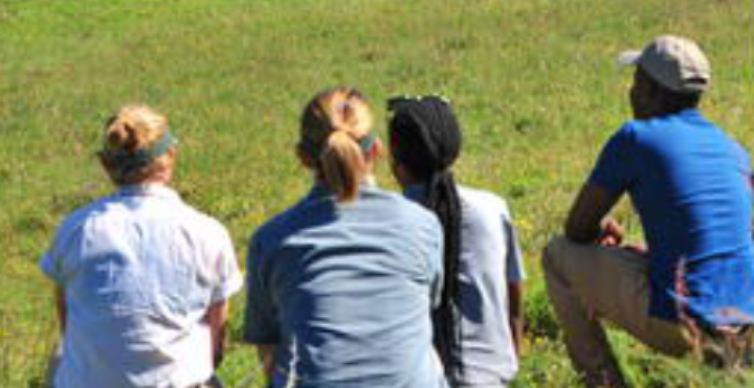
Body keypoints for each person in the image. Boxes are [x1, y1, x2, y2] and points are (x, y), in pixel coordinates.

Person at [544, 36, 754, 388]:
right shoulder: (732, 149)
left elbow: (577, 230)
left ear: (651, 90)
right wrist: (652, 257)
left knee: (558, 255)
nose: (631, 92)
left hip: (687, 323)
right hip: (753, 321)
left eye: (636, 81)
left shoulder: (636, 137)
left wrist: (602, 229)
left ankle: (602, 381)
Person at [242, 87, 448, 388]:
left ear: (302, 158)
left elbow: (269, 351)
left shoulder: (270, 240)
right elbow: (427, 304)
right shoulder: (422, 225)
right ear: (377, 149)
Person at [40, 105, 242, 388]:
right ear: (170, 157)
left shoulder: (76, 229)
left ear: (106, 166)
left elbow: (67, 324)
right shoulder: (207, 232)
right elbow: (216, 345)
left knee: (60, 357)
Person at [388, 95, 525, 388]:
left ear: (395, 160)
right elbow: (513, 297)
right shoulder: (493, 208)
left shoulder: (386, 224)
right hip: (495, 375)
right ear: (454, 150)